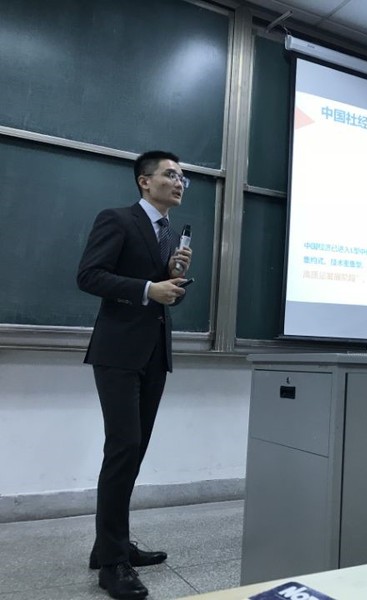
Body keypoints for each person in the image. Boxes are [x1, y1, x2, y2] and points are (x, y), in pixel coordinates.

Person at [77, 150, 193, 600]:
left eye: (182, 177)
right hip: (118, 352)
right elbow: (90, 275)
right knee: (123, 448)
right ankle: (113, 565)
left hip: (154, 354)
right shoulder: (118, 219)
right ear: (145, 181)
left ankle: (110, 544)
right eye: (170, 174)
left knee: (134, 450)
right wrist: (148, 288)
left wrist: (173, 281)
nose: (179, 182)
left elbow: (165, 296)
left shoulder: (170, 234)